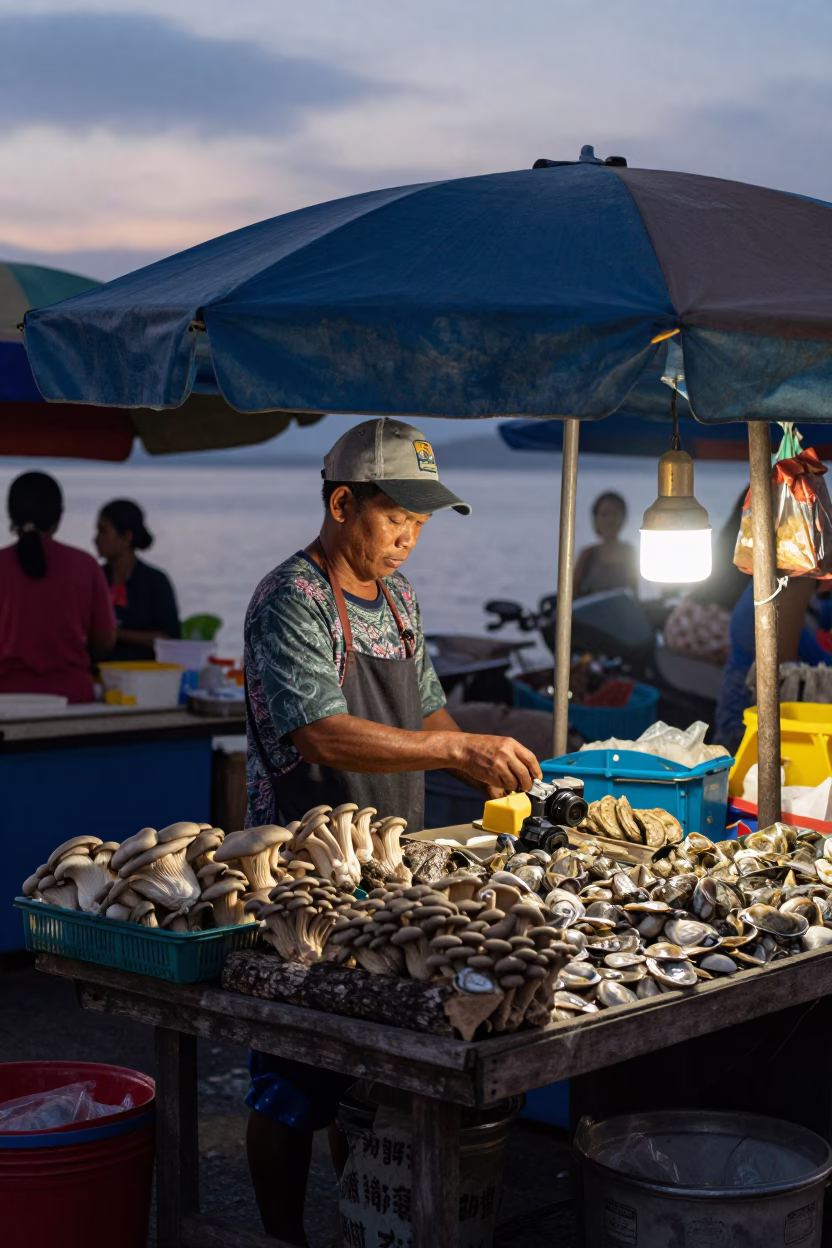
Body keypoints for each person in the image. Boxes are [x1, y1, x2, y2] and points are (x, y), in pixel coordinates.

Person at [243, 418, 542, 1245]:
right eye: (395, 516)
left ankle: (355, 1223)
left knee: (366, 1072)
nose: (411, 536)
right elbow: (320, 732)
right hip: (297, 877)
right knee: (290, 1078)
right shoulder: (290, 599)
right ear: (342, 504)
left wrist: (479, 752)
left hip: (390, 866)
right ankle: (279, 1236)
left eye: (422, 520)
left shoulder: (401, 601)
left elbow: (428, 710)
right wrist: (450, 746)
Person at [0, 472, 115, 702]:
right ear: (59, 516)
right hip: (72, 699)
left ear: (10, 514)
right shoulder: (86, 565)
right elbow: (105, 640)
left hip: (6, 701)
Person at [714, 576, 832, 754]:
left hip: (745, 690)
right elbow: (812, 657)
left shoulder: (780, 581)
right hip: (747, 704)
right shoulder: (784, 591)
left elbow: (823, 614)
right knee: (742, 762)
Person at [95, 499, 181, 661]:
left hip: (144, 674)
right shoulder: (94, 578)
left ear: (126, 537)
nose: (96, 539)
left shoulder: (155, 581)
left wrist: (117, 634)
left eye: (103, 531)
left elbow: (169, 638)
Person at [573, 491, 639, 598]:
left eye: (615, 514)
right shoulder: (587, 555)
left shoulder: (630, 553)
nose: (610, 520)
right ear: (596, 519)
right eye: (604, 515)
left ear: (623, 517)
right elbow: (573, 594)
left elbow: (634, 594)